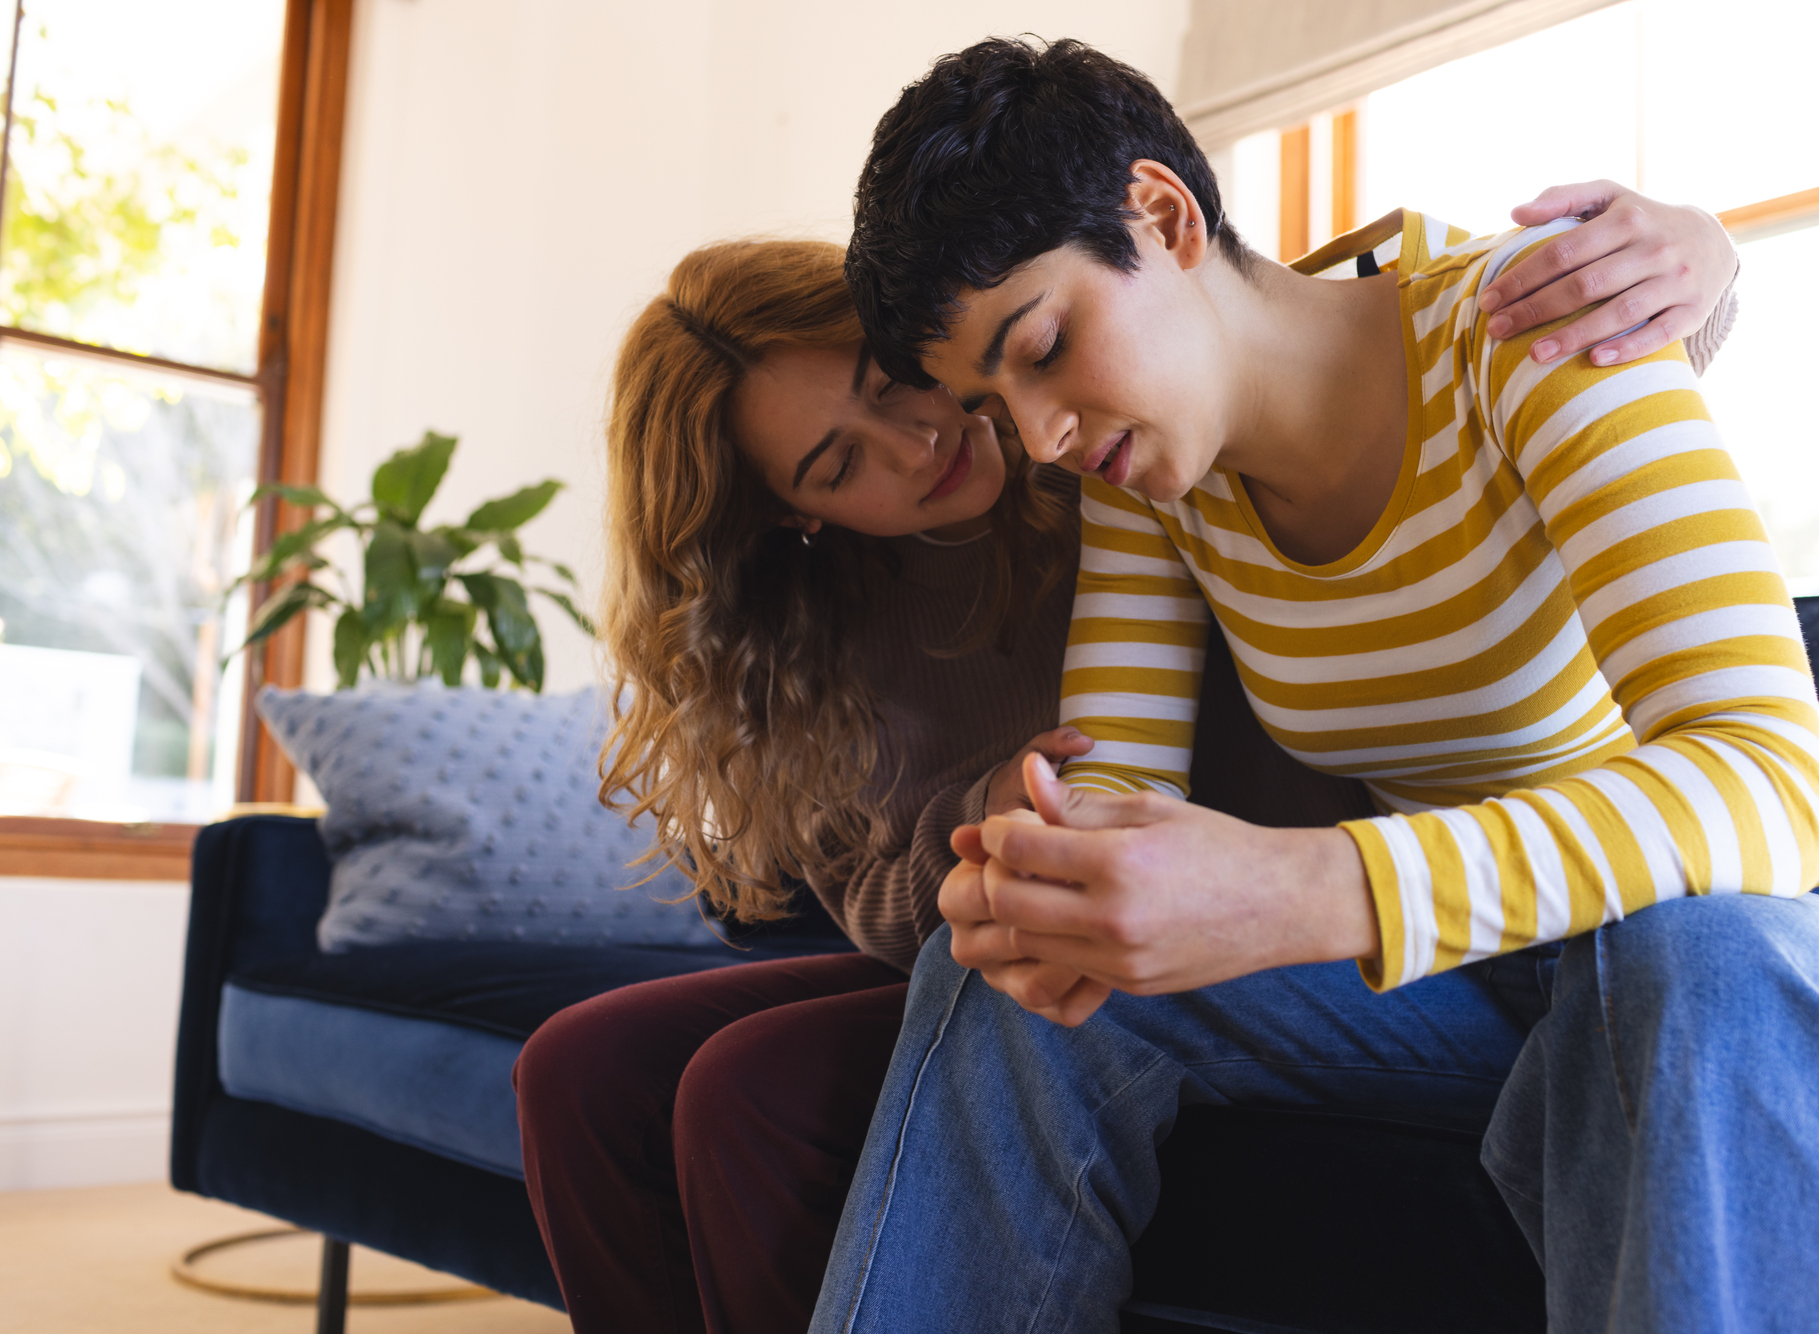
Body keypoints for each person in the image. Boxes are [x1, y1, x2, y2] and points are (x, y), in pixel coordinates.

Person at [809, 37, 1819, 1334]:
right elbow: (1112, 795)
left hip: (1805, 926)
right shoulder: (1152, 475)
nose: (1037, 436)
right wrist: (1047, 871)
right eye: (994, 399)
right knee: (1025, 970)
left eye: (1040, 346)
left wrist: (1309, 888)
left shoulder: (1524, 331)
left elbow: (1769, 780)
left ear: (1163, 216)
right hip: (1507, 979)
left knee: (1691, 956)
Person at [512, 182, 1743, 1329]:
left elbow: (1355, 342)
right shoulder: (826, 627)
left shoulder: (1120, 431)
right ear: (795, 512)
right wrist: (980, 824)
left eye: (895, 381)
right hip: (1034, 915)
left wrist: (1705, 253)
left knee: (750, 1086)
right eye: (837, 463)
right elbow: (873, 896)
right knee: (585, 1061)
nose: (911, 445)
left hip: (1274, 898)